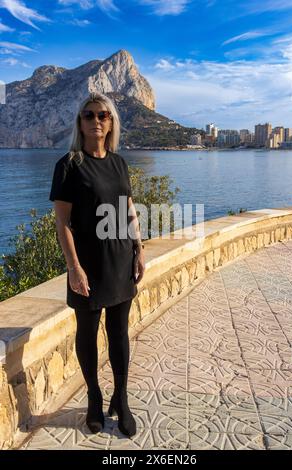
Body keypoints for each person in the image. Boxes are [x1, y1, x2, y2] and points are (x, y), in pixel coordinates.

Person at [49, 92, 146, 438]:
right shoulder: (69, 165)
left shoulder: (119, 163)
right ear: (80, 122)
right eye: (88, 115)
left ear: (111, 122)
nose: (96, 121)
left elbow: (129, 209)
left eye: (103, 115)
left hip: (121, 260)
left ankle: (121, 399)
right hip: (87, 266)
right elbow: (62, 223)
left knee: (119, 333)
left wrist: (139, 246)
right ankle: (94, 397)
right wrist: (74, 267)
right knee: (87, 335)